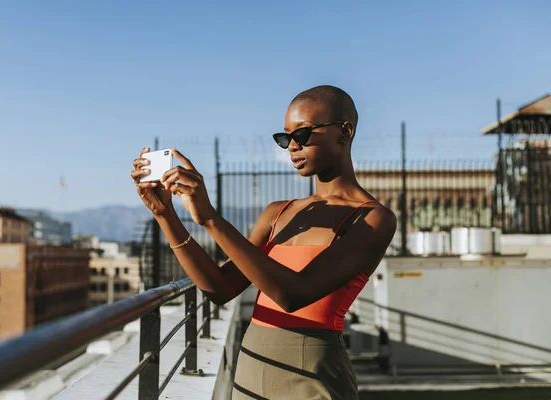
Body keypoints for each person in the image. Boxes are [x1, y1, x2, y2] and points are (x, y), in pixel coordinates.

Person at [131, 85, 396, 399]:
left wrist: (211, 219)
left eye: (303, 134)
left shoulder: (373, 219)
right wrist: (165, 215)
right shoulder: (277, 213)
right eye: (285, 138)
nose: (292, 147)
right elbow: (220, 288)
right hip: (251, 368)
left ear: (345, 131)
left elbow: (293, 294)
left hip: (314, 376)